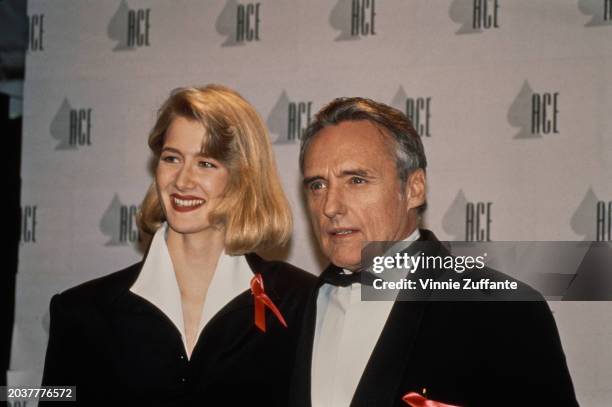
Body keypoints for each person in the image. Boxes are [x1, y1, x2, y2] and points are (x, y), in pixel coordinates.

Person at [289, 97, 579, 407]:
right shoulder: (288, 312)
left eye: (356, 180)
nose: (331, 206)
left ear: (414, 188)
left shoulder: (505, 312)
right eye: (317, 185)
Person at [42, 85, 315, 406]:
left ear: (244, 178)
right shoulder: (81, 310)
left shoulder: (299, 301)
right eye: (172, 158)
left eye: (206, 163)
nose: (182, 181)